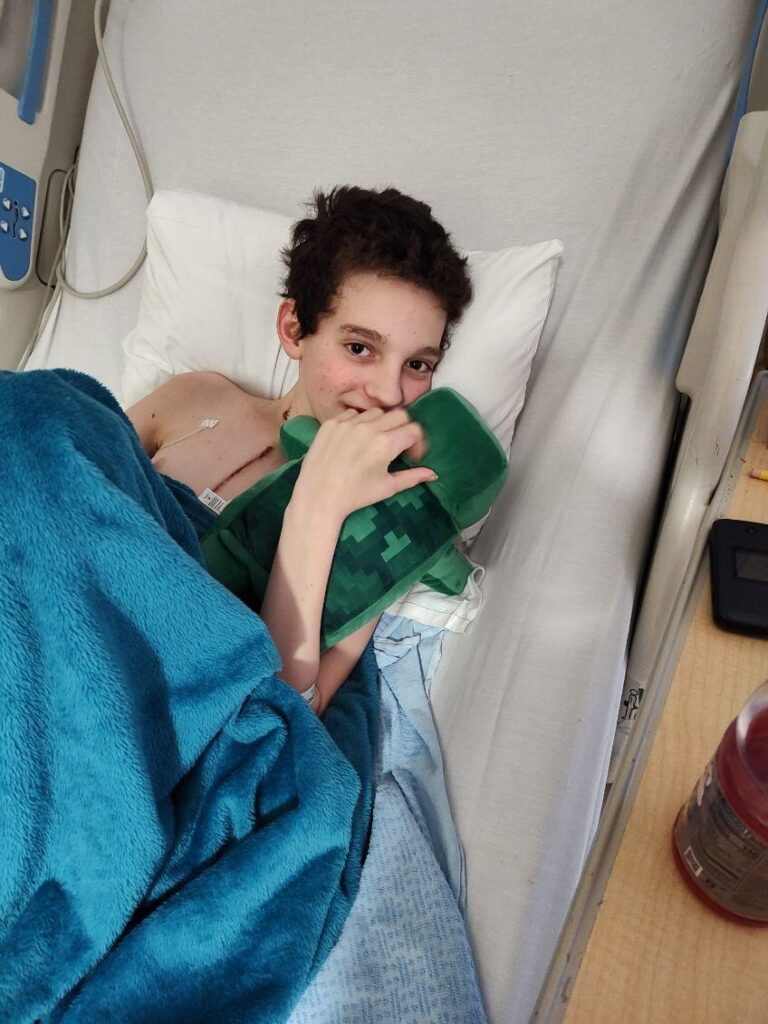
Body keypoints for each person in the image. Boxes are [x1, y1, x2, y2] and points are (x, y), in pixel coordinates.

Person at [126, 185, 472, 715]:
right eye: (360, 348)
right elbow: (66, 486)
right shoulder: (195, 397)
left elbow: (287, 710)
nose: (389, 393)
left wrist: (320, 507)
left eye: (418, 365)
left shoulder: (392, 514)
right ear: (294, 329)